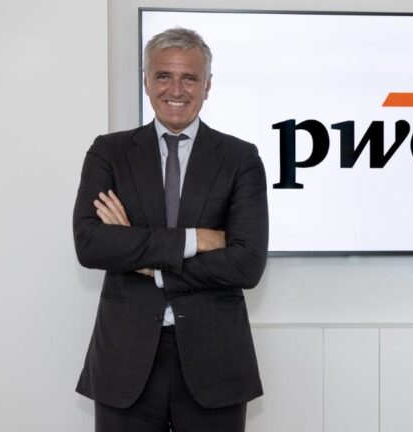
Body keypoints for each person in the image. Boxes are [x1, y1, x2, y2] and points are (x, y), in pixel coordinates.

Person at [73, 27, 268, 431]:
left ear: (207, 85)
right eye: (163, 76)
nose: (176, 89)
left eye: (189, 78)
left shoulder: (240, 158)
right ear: (146, 81)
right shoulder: (108, 152)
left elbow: (246, 264)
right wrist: (196, 240)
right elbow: (91, 244)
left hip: (215, 361)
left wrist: (146, 260)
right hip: (125, 362)